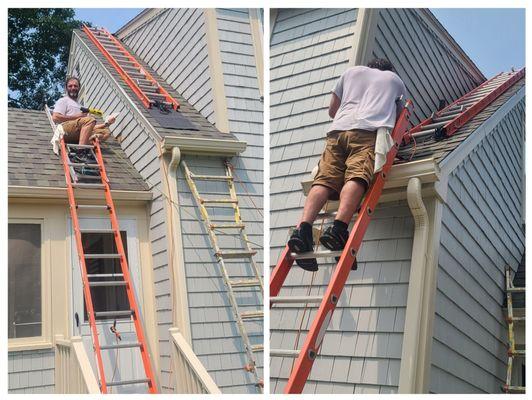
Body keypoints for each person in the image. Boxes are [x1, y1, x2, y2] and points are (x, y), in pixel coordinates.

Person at [288, 58, 407, 271]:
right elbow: (399, 117)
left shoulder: (350, 73)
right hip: (367, 132)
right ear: (388, 69)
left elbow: (332, 110)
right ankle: (338, 228)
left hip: (336, 132)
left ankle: (303, 230)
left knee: (323, 180)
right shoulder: (395, 81)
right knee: (357, 177)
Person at [52, 77, 115, 163]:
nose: (73, 88)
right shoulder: (63, 101)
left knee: (105, 132)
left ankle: (82, 146)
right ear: (66, 88)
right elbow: (55, 117)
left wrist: (107, 123)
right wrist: (77, 117)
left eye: (75, 86)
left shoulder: (79, 105)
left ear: (79, 88)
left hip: (78, 132)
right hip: (65, 130)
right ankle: (80, 153)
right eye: (70, 86)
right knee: (89, 120)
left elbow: (88, 126)